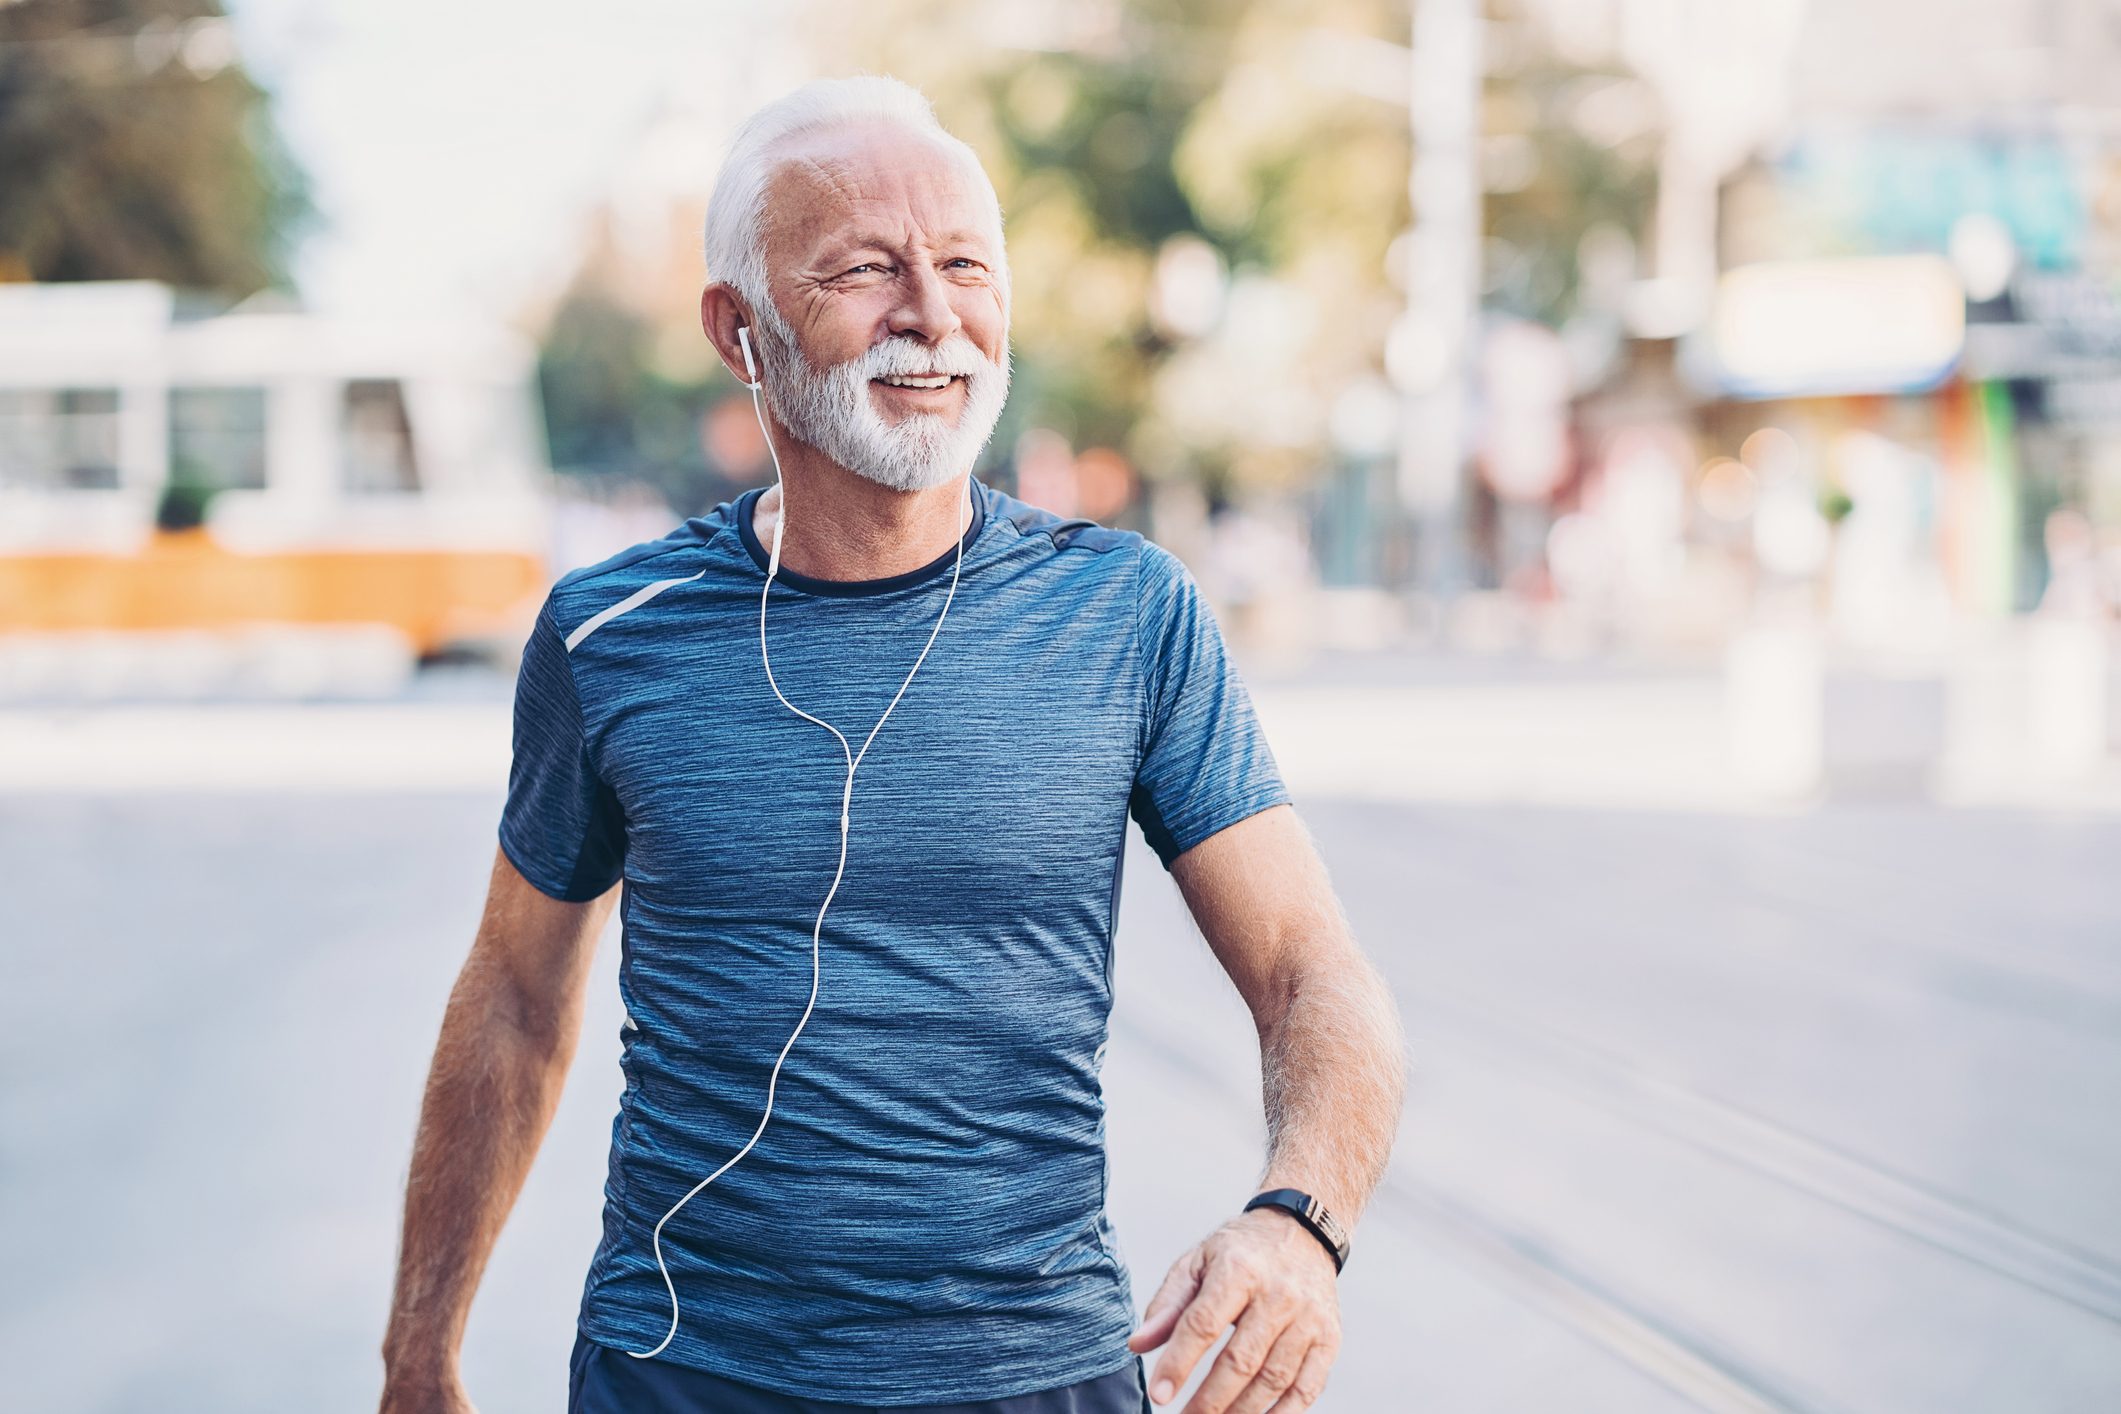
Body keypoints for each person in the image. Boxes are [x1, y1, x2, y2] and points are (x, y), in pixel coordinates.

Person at [378, 76, 1405, 1414]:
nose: (931, 313)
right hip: (680, 1377)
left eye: (967, 264)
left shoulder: (1129, 613)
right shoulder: (608, 631)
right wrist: (416, 1356)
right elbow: (514, 999)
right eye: (864, 269)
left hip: (1034, 1380)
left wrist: (1298, 1223)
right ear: (738, 331)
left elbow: (1309, 968)